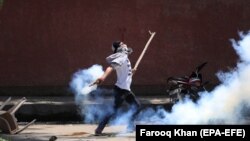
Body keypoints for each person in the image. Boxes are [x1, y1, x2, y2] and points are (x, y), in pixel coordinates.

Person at [92, 41, 141, 135]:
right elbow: (110, 68)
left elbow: (124, 71)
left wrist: (131, 71)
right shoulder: (121, 57)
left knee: (136, 106)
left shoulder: (124, 57)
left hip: (125, 89)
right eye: (122, 44)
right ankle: (99, 129)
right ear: (119, 48)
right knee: (114, 110)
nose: (125, 44)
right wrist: (102, 78)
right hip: (121, 90)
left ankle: (130, 126)